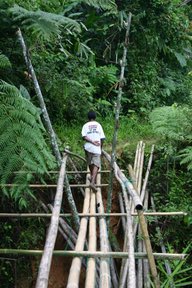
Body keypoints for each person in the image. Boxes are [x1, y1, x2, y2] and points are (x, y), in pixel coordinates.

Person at [81, 111, 105, 192]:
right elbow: (102, 138)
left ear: (88, 118)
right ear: (95, 117)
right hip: (96, 147)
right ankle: (92, 182)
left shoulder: (85, 125)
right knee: (97, 164)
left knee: (90, 163)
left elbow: (84, 136)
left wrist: (91, 141)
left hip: (88, 147)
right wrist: (100, 148)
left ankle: (92, 179)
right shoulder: (98, 125)